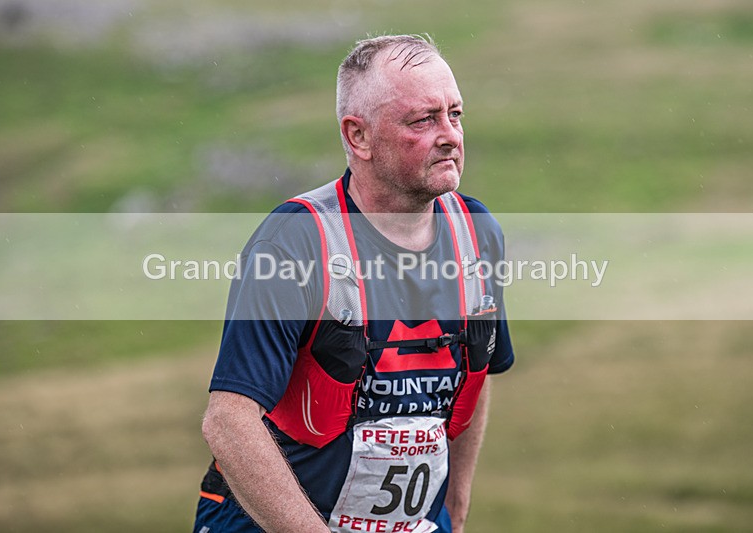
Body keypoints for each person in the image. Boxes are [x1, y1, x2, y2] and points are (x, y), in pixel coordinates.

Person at [194, 34, 514, 533]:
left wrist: (454, 513)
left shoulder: (477, 233)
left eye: (456, 114)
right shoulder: (295, 241)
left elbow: (477, 373)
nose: (450, 134)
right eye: (423, 120)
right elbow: (228, 424)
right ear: (358, 136)